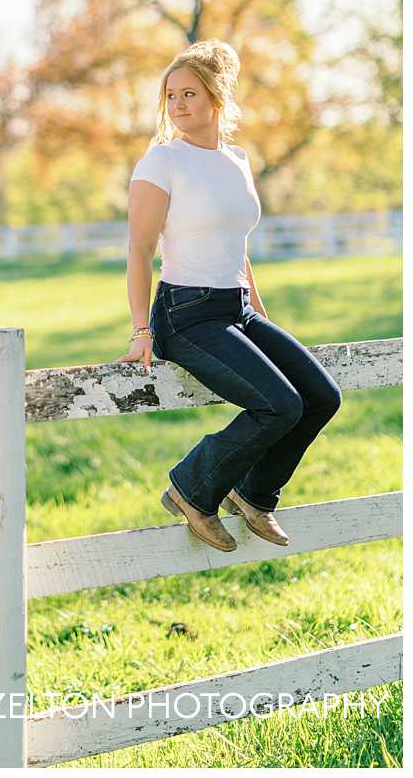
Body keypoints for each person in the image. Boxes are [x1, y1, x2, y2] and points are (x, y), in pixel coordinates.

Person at [117, 39, 340, 553]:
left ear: (217, 99)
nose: (177, 105)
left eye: (189, 94)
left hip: (236, 309)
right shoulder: (161, 162)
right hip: (185, 315)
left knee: (322, 397)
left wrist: (260, 316)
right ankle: (193, 487)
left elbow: (237, 246)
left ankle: (255, 493)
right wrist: (141, 329)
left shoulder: (236, 160)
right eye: (171, 95)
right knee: (279, 406)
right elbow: (140, 248)